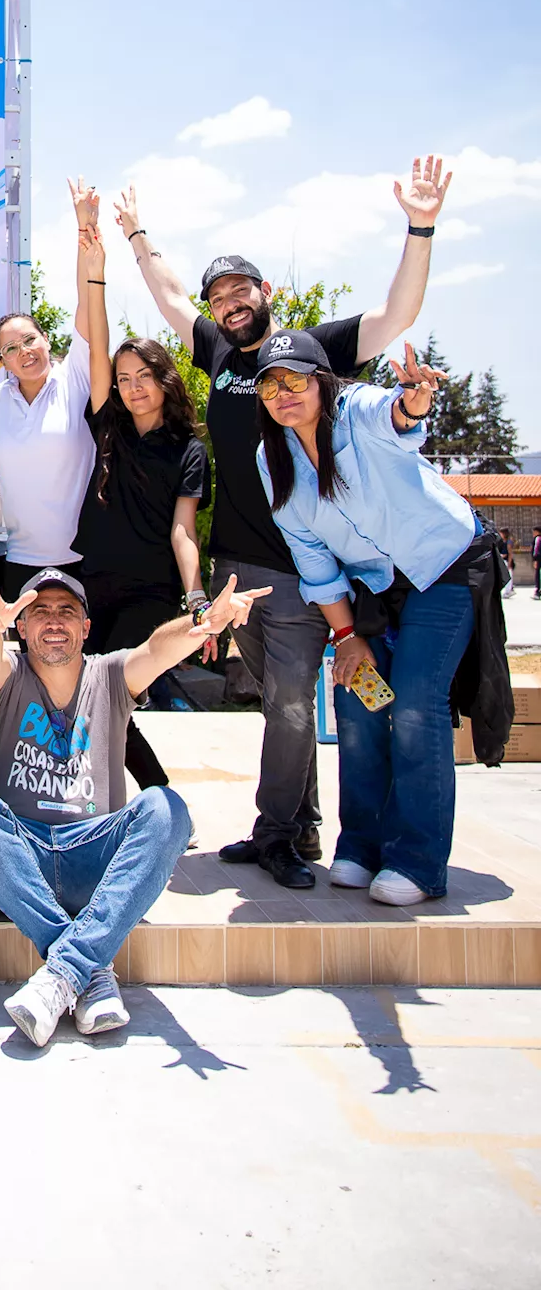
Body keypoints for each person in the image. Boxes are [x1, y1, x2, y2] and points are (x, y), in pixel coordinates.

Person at [113, 153, 450, 890]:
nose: (229, 305)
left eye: (241, 291)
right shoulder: (219, 352)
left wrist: (419, 227)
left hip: (304, 567)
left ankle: (276, 834)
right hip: (238, 566)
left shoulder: (310, 350)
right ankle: (299, 826)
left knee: (294, 705)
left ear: (266, 293)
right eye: (219, 296)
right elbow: (171, 299)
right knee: (280, 701)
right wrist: (138, 234)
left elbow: (397, 316)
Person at [0, 567, 268, 1045]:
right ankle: (88, 969)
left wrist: (203, 624)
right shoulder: (10, 677)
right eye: (39, 612)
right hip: (24, 857)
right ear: (21, 627)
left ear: (86, 627)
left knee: (167, 809)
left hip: (96, 857)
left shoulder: (111, 674)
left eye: (66, 611)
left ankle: (61, 973)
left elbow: (157, 650)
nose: (53, 621)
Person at [255, 332, 491, 905]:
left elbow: (398, 418)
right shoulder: (272, 458)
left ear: (321, 380)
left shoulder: (356, 410)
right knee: (358, 700)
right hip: (374, 588)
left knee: (413, 704)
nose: (283, 393)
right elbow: (311, 556)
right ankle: (361, 845)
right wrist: (346, 637)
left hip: (444, 567)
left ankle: (418, 861)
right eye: (269, 384)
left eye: (295, 379)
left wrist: (412, 400)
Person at [74, 219, 211, 719]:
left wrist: (196, 597)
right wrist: (96, 274)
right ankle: (118, 790)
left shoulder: (188, 448)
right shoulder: (109, 424)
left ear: (165, 381)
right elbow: (96, 344)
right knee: (88, 697)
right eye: (124, 378)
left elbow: (183, 529)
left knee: (111, 694)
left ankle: (153, 791)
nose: (132, 388)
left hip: (152, 592)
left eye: (144, 377)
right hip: (93, 581)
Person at [0, 179, 97, 600]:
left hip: (81, 557)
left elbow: (86, 302)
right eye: (10, 348)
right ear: (2, 359)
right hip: (15, 558)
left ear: (47, 339)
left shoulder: (76, 378)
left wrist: (83, 232)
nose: (24, 351)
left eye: (30, 340)